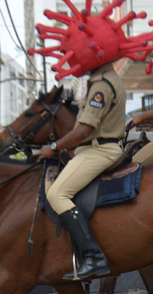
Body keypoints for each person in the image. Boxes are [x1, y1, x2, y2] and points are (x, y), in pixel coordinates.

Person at [40, 61, 126, 280]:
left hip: (99, 150)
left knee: (56, 194)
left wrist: (53, 147)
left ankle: (94, 256)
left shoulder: (102, 85)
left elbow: (84, 130)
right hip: (91, 148)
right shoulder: (100, 80)